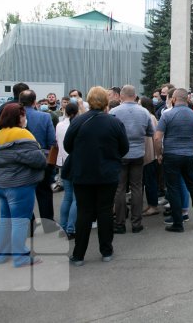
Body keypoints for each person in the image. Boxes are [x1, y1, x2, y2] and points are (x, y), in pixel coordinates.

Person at [64, 86, 129, 266]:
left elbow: (67, 146)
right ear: (106, 102)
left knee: (84, 212)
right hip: (107, 173)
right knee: (105, 211)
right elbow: (124, 148)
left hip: (83, 173)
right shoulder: (114, 122)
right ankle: (106, 250)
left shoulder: (78, 121)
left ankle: (78, 254)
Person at [0, 102, 47, 267]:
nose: (26, 118)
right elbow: (38, 160)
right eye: (24, 115)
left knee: (5, 219)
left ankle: (2, 254)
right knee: (20, 221)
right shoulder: (23, 134)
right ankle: (20, 257)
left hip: (1, 183)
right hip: (20, 185)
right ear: (19, 117)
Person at [154, 88, 193, 232]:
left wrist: (159, 154)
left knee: (173, 188)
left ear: (174, 99)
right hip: (189, 156)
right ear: (187, 100)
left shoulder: (167, 115)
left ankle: (178, 223)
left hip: (171, 155)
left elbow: (158, 137)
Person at [109, 85, 154, 234]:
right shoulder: (144, 112)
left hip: (120, 154)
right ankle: (136, 223)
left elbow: (109, 133)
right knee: (137, 187)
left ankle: (120, 223)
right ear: (135, 96)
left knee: (120, 188)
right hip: (137, 154)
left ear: (121, 96)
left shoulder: (114, 112)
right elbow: (150, 132)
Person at [19, 90, 57, 230]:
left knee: (24, 195)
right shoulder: (45, 117)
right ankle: (48, 226)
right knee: (44, 194)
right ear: (35, 102)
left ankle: (29, 224)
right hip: (43, 159)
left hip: (21, 161)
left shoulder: (14, 116)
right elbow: (52, 140)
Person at [55, 103, 78, 239]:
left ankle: (63, 226)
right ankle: (71, 227)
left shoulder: (59, 125)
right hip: (75, 162)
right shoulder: (76, 125)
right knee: (76, 198)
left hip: (63, 162)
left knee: (67, 196)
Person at [139, 97, 161, 216]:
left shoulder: (149, 117)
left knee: (150, 180)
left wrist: (158, 153)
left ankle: (153, 205)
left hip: (149, 153)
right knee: (148, 180)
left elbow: (154, 136)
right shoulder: (150, 116)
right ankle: (151, 205)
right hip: (149, 153)